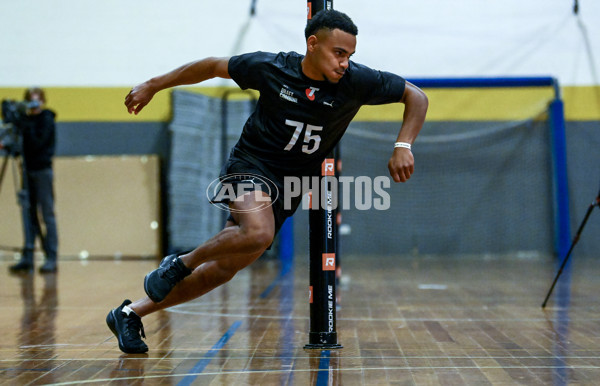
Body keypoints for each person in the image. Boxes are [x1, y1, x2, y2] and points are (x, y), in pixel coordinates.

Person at [106, 9, 428, 354]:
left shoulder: (356, 82)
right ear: (313, 44)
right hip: (250, 165)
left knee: (226, 268)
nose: (345, 62)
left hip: (290, 184)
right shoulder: (271, 68)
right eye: (339, 53)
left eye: (350, 55)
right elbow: (213, 65)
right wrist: (153, 84)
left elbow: (416, 96)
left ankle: (129, 313)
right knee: (259, 233)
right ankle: (182, 262)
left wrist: (403, 145)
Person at [7, 87, 59, 274]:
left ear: (43, 101)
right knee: (28, 215)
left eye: (37, 100)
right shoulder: (25, 121)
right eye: (31, 100)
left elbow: (38, 143)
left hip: (42, 171)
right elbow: (16, 146)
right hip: (27, 171)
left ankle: (51, 256)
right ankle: (28, 255)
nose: (34, 104)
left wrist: (23, 123)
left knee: (47, 215)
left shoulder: (46, 119)